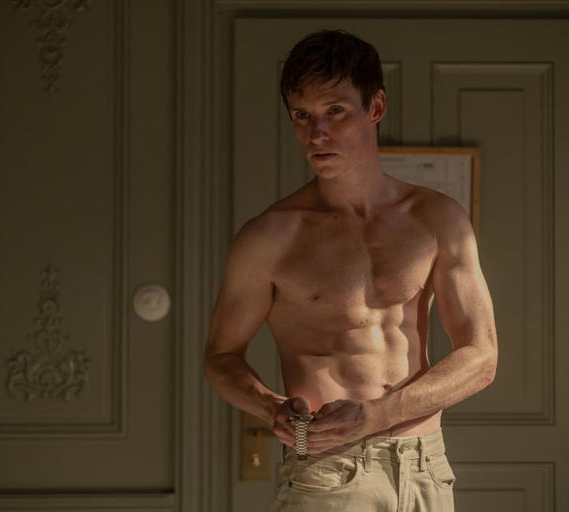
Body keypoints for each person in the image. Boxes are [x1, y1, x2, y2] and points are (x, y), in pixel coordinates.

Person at [203, 29, 498, 511]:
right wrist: (270, 406)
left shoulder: (437, 218)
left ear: (375, 107)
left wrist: (377, 415)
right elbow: (220, 356)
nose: (316, 133)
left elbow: (481, 357)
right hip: (328, 470)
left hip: (426, 467)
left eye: (335, 111)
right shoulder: (270, 237)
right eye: (302, 115)